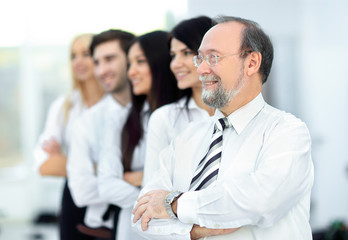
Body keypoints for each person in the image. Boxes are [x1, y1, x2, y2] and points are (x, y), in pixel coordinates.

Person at [131, 16, 314, 240]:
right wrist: (193, 232)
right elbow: (141, 217)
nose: (202, 69)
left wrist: (173, 203)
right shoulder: (186, 139)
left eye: (213, 57)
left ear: (251, 63)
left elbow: (258, 202)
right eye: (200, 58)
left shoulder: (287, 132)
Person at [97, 30, 182, 240]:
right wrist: (162, 203)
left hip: (179, 229)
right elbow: (107, 185)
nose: (131, 72)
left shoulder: (186, 117)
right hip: (135, 228)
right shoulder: (121, 120)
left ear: (161, 62)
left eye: (140, 62)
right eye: (129, 64)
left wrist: (138, 179)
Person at [34, 33, 104, 240]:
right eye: (73, 55)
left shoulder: (118, 106)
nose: (78, 61)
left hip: (111, 200)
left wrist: (68, 161)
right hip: (74, 200)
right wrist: (98, 167)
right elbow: (44, 164)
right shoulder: (64, 106)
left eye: (86, 54)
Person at [66, 29, 135, 239]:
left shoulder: (157, 112)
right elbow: (82, 190)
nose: (101, 70)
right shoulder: (87, 122)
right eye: (97, 62)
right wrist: (158, 199)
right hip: (106, 230)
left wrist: (111, 176)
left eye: (109, 59)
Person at [143, 16, 215, 185]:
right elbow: (151, 188)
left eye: (187, 53)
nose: (175, 64)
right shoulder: (165, 118)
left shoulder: (239, 116)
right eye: (173, 55)